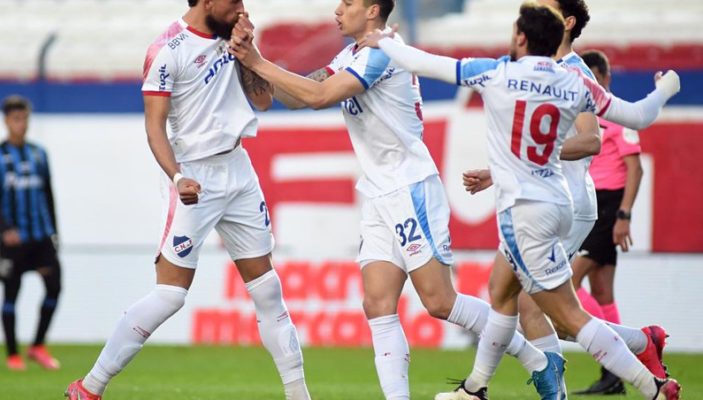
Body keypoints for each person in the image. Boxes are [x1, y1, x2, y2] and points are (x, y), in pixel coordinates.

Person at [228, 1, 569, 399]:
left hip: (410, 187)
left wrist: (258, 60)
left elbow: (320, 96)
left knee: (440, 302)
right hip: (378, 191)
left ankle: (538, 360)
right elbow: (291, 98)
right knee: (377, 303)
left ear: (373, 9)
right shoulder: (351, 54)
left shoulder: (382, 51)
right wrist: (252, 56)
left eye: (348, 3)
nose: (338, 10)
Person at [361, 2, 681, 400]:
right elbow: (636, 115)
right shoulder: (573, 82)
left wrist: (387, 42)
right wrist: (667, 87)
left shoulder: (501, 73)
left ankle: (649, 384)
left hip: (526, 211)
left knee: (565, 316)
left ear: (521, 38)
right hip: (557, 200)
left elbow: (431, 64)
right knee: (501, 291)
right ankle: (474, 389)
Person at [64, 1, 311, 399]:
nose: (242, 8)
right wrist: (177, 176)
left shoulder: (235, 37)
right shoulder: (167, 49)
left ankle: (300, 395)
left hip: (238, 169)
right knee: (171, 295)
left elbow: (262, 101)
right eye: (234, 1)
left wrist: (251, 53)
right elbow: (154, 127)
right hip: (195, 175)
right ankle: (89, 387)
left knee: (267, 290)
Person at [572, 49, 646, 395]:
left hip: (607, 207)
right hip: (590, 202)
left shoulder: (618, 117)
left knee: (568, 282)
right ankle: (613, 374)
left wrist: (624, 215)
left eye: (591, 76)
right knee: (602, 292)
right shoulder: (583, 114)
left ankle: (630, 352)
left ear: (603, 78)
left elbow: (636, 168)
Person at [0, 95, 62, 371]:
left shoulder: (39, 154)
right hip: (13, 240)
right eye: (16, 119)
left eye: (25, 118)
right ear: (6, 121)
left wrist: (55, 232)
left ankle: (38, 345)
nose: (22, 124)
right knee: (11, 293)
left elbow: (49, 194)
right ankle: (12, 354)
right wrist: (5, 229)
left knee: (55, 287)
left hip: (41, 236)